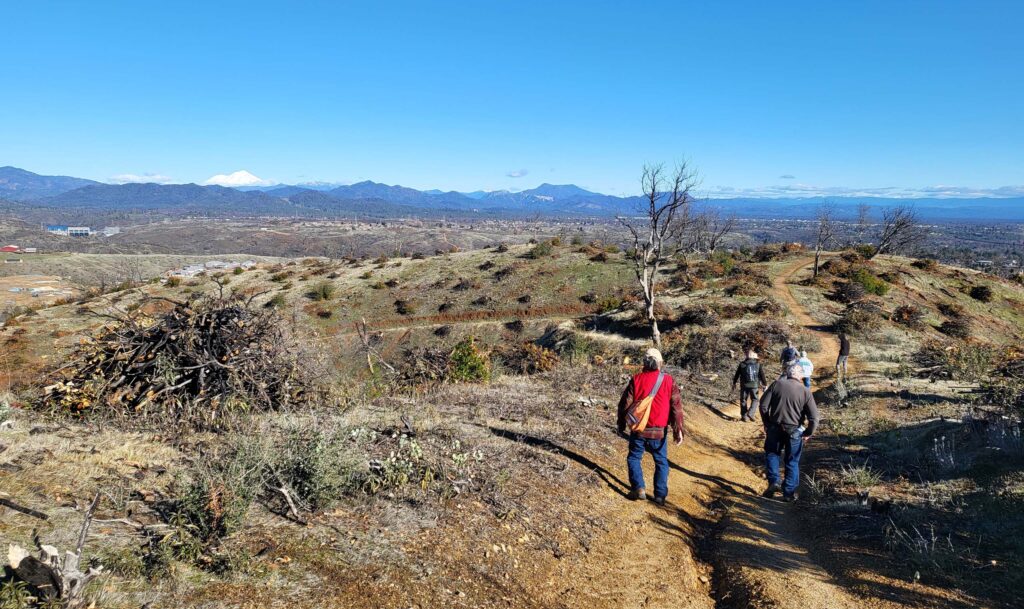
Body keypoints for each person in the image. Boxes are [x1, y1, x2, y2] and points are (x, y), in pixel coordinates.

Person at [617, 348, 684, 506]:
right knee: (661, 461)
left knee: (634, 457)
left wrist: (621, 424)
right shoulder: (668, 380)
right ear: (660, 363)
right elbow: (676, 407)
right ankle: (660, 495)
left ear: (644, 363)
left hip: (639, 429)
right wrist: (678, 430)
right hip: (659, 430)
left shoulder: (636, 379)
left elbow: (625, 404)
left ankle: (639, 489)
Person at [759, 362, 820, 502]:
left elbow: (763, 406)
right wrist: (808, 433)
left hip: (774, 427)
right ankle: (789, 493)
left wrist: (767, 423)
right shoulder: (805, 391)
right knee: (792, 461)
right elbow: (814, 418)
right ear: (800, 376)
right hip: (794, 430)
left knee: (772, 453)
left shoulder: (776, 385)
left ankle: (774, 481)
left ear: (788, 373)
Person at [732, 350, 767, 422]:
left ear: (746, 356)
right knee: (755, 399)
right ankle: (751, 413)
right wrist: (765, 384)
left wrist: (734, 383)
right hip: (754, 385)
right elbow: (762, 375)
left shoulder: (742, 364)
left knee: (743, 400)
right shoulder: (758, 364)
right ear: (753, 356)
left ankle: (744, 416)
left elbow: (737, 374)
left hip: (744, 385)